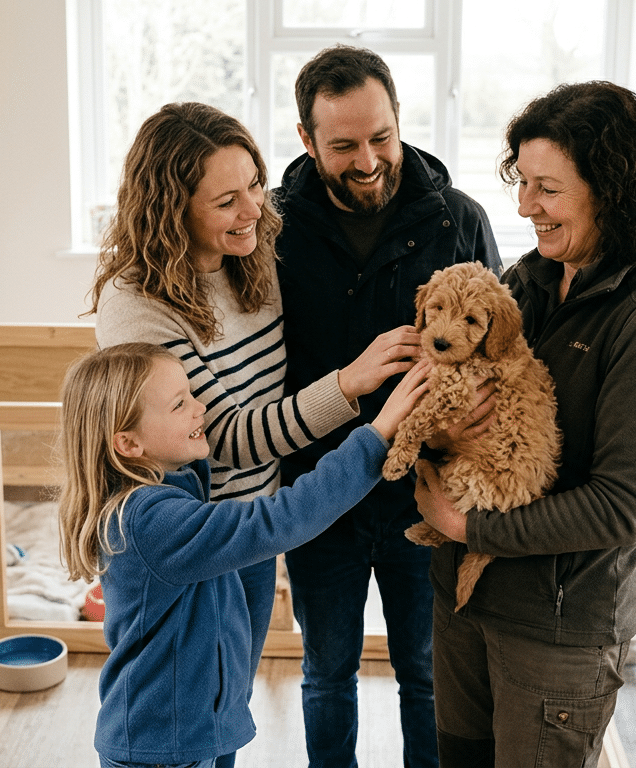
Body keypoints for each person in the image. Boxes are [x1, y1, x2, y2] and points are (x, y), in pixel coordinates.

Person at [89, 102, 421, 768]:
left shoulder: (253, 255)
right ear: (171, 208)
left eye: (254, 184)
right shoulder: (136, 305)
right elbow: (227, 438)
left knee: (226, 708)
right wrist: (353, 388)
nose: (253, 210)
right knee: (183, 708)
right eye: (226, 200)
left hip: (253, 526)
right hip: (202, 532)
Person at [412, 80, 636, 767]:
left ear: (609, 189)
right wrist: (439, 438)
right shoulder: (526, 283)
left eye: (546, 187)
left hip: (554, 633)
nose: (524, 206)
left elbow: (620, 508)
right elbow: (458, 395)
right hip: (463, 600)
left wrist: (468, 526)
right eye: (521, 182)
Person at [272, 44, 499, 768]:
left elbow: (499, 353)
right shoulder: (272, 231)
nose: (367, 161)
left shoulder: (457, 219)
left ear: (400, 120)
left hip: (424, 499)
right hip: (319, 495)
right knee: (326, 675)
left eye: (381, 138)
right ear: (307, 141)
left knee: (427, 679)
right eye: (343, 146)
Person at [56, 342, 431, 768]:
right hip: (164, 750)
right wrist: (377, 434)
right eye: (180, 404)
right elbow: (282, 519)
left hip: (192, 736)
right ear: (128, 443)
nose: (201, 409)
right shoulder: (153, 521)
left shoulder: (172, 495)